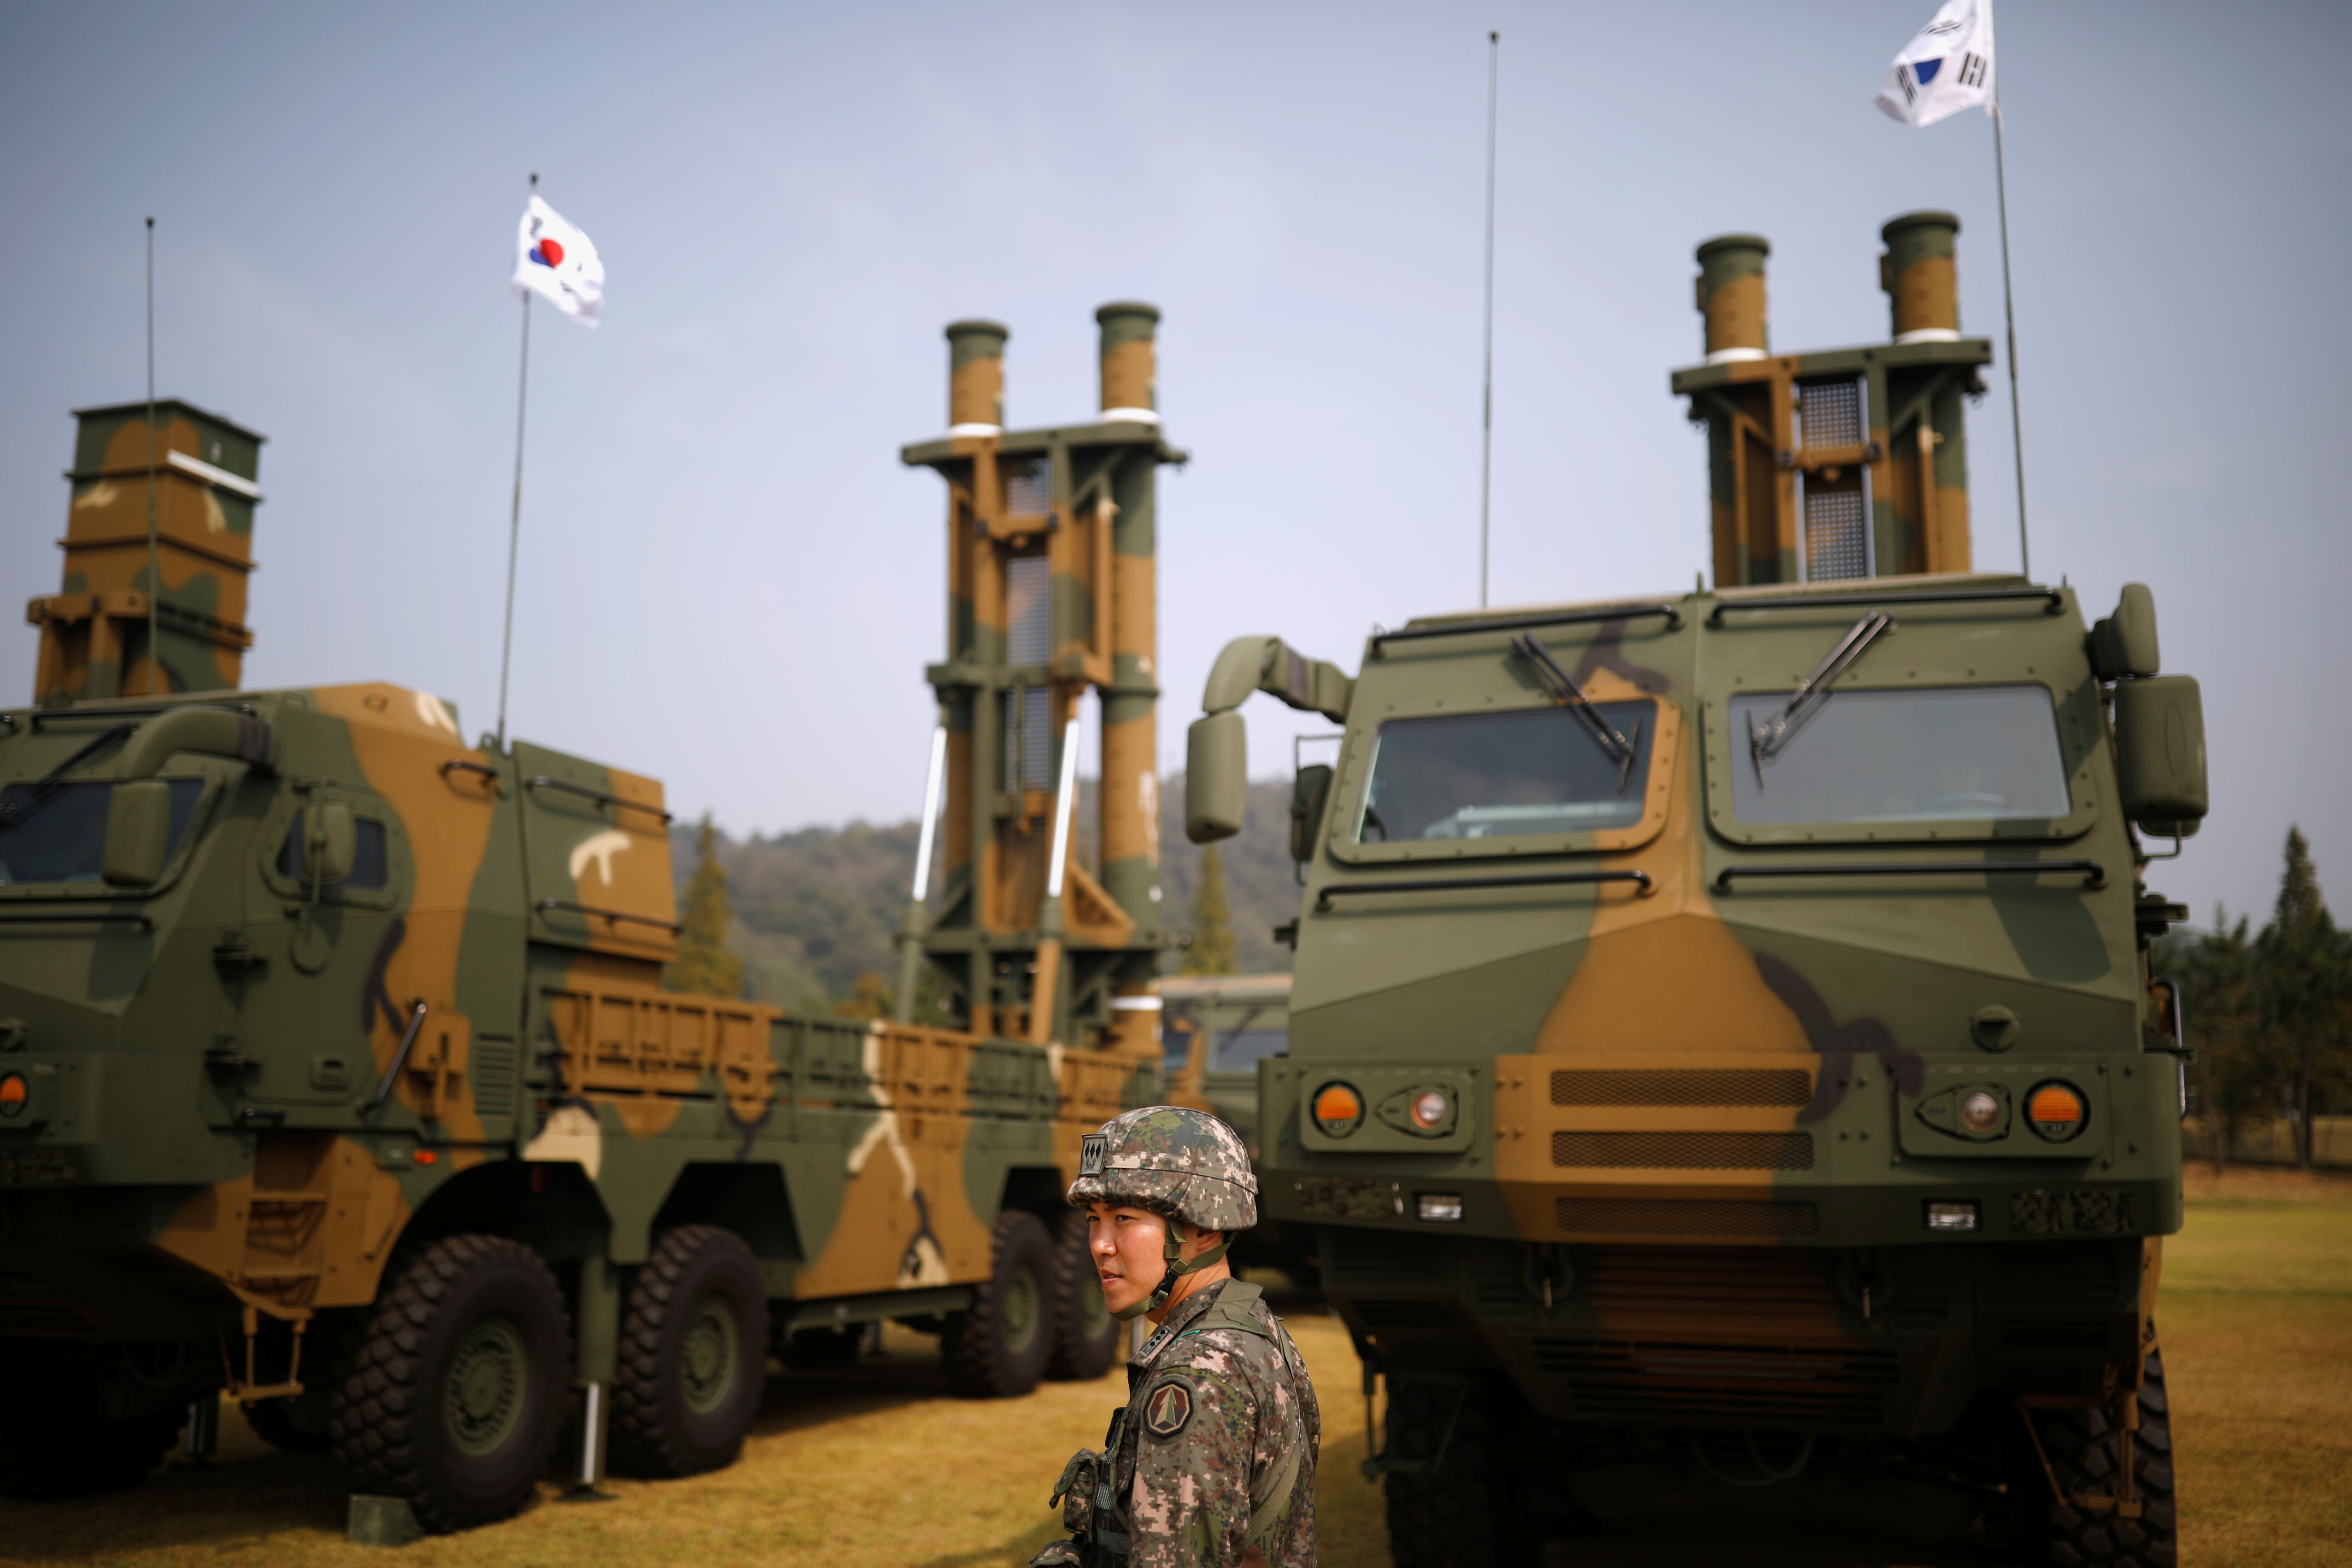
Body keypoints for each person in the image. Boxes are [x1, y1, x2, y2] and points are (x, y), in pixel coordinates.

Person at [1032, 1106, 1319, 1568]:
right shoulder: (1254, 1327)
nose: (1101, 1244)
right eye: (1093, 1220)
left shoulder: (1199, 1374)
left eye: (1123, 1218)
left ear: (1202, 1227)